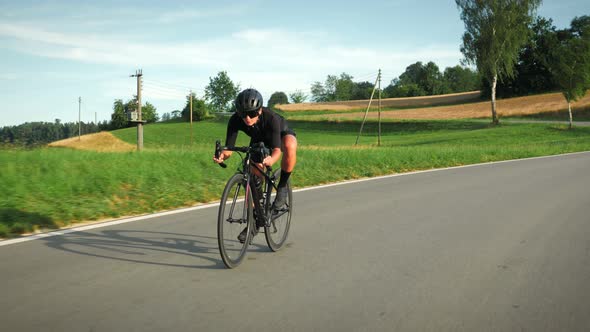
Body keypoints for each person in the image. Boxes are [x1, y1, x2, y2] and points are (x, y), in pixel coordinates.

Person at [213, 88, 297, 243]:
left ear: (259, 111)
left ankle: (283, 187)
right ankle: (256, 219)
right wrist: (222, 156)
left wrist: (272, 160)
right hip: (259, 140)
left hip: (278, 134)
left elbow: (278, 151)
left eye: (251, 114)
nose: (247, 118)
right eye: (243, 114)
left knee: (290, 145)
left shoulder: (271, 118)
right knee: (253, 176)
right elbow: (229, 149)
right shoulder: (236, 120)